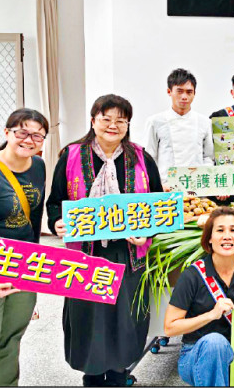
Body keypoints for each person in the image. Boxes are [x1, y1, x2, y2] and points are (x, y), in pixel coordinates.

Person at [46, 94, 163, 387]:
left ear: (127, 125)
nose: (113, 125)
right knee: (90, 316)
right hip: (86, 253)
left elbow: (157, 205)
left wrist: (146, 231)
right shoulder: (71, 155)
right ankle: (94, 374)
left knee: (125, 315)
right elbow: (54, 203)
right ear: (93, 120)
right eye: (106, 119)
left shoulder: (141, 157)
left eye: (120, 120)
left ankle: (120, 372)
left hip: (128, 253)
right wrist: (57, 222)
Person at [0, 108, 49, 386]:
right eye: (22, 132)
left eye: (37, 135)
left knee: (11, 340)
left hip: (22, 265)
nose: (29, 140)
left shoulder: (38, 166)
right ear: (7, 133)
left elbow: (34, 222)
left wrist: (36, 275)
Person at [164, 207, 234, 387]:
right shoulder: (192, 275)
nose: (227, 236)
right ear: (209, 238)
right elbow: (170, 328)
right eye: (220, 230)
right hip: (195, 355)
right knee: (215, 342)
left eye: (233, 230)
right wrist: (211, 315)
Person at [145, 68, 214, 183]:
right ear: (169, 92)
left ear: (194, 93)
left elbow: (208, 156)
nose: (184, 97)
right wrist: (158, 184)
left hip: (198, 185)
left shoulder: (204, 122)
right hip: (166, 187)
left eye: (189, 92)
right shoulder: (155, 121)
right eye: (179, 91)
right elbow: (149, 158)